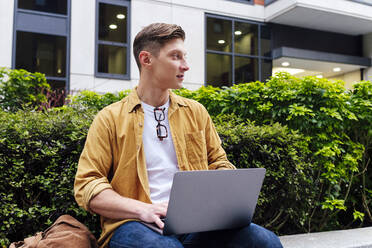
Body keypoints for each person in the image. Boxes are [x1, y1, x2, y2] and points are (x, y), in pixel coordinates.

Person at [74, 23, 283, 248]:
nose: (186, 66)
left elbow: (220, 163)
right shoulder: (110, 118)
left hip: (196, 223)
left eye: (185, 57)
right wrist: (143, 209)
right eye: (176, 57)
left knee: (264, 241)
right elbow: (88, 185)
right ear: (146, 60)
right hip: (133, 223)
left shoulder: (196, 112)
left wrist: (222, 201)